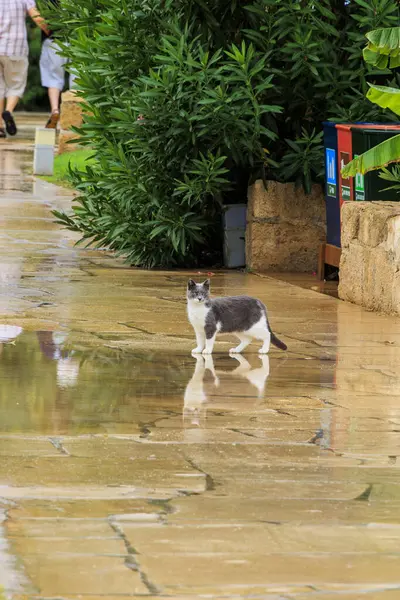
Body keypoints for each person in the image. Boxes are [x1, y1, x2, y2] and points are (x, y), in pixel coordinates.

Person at [0, 0, 48, 138]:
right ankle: (8, 111)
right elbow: (35, 15)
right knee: (16, 84)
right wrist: (49, 30)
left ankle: (0, 127)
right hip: (16, 48)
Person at [40, 0, 75, 129]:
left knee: (54, 78)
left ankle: (55, 110)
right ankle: (75, 114)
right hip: (77, 39)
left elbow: (39, 14)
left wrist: (48, 31)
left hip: (54, 39)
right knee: (76, 79)